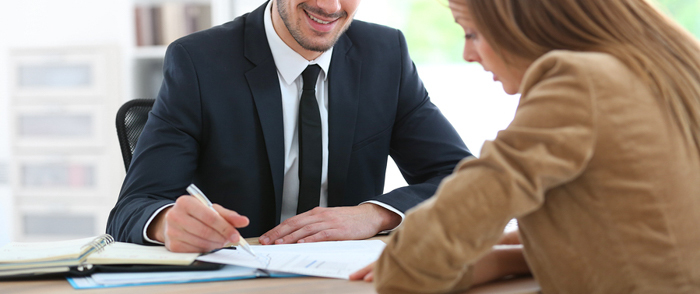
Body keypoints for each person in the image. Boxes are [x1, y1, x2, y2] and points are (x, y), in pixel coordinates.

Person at [351, 0, 700, 292]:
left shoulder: (580, 81)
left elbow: (472, 203)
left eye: (471, 32)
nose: (467, 53)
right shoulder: (663, 69)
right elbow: (625, 237)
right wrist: (502, 259)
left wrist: (404, 264)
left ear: (526, 20)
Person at [106, 0, 472, 253]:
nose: (330, 7)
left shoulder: (385, 54)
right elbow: (131, 209)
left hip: (347, 279)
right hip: (240, 279)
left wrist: (374, 214)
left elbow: (462, 177)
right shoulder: (198, 61)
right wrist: (167, 223)